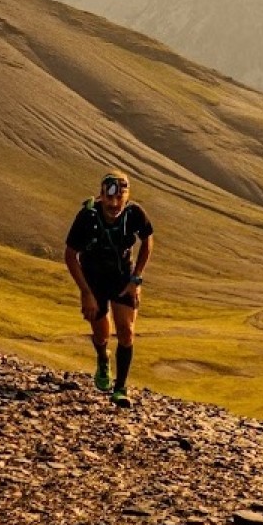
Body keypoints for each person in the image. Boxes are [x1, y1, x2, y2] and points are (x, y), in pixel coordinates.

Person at [64, 169, 154, 407]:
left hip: (123, 278)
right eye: (110, 198)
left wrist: (136, 280)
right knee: (102, 333)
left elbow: (148, 241)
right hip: (93, 280)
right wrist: (86, 292)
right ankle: (103, 358)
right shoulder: (87, 216)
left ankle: (120, 388)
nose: (114, 205)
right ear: (101, 195)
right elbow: (70, 255)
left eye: (119, 199)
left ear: (127, 197)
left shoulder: (135, 214)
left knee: (126, 332)